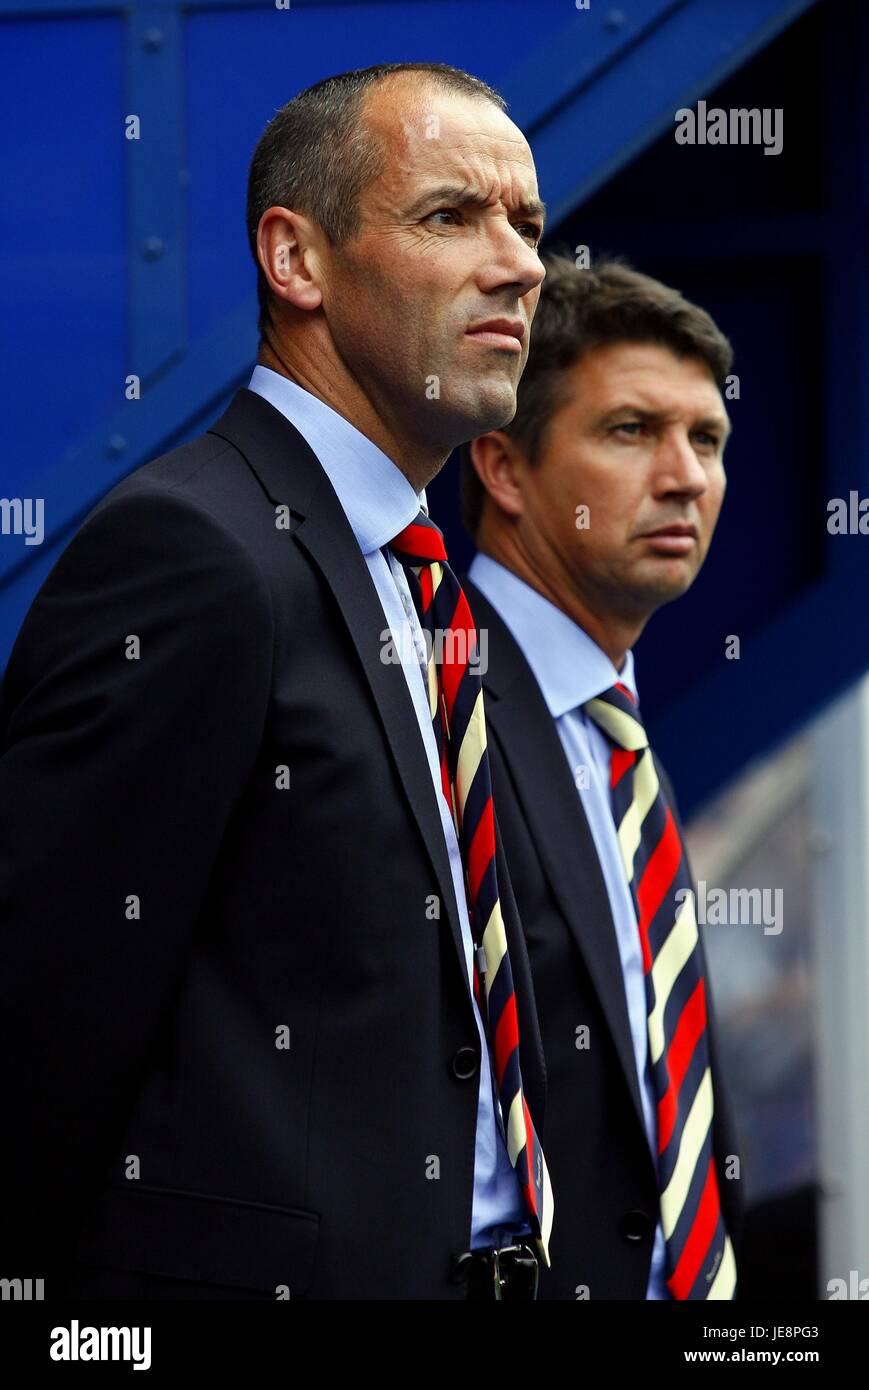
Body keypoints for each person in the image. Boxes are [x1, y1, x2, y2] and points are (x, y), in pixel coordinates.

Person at [0, 62, 554, 1301]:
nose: (518, 264)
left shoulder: (418, 580)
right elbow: (40, 1025)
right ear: (294, 260)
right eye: (450, 215)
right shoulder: (195, 553)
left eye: (526, 224)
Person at [460, 254, 743, 1299]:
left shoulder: (616, 737)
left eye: (704, 438)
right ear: (501, 467)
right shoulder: (422, 706)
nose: (683, 476)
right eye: (629, 431)